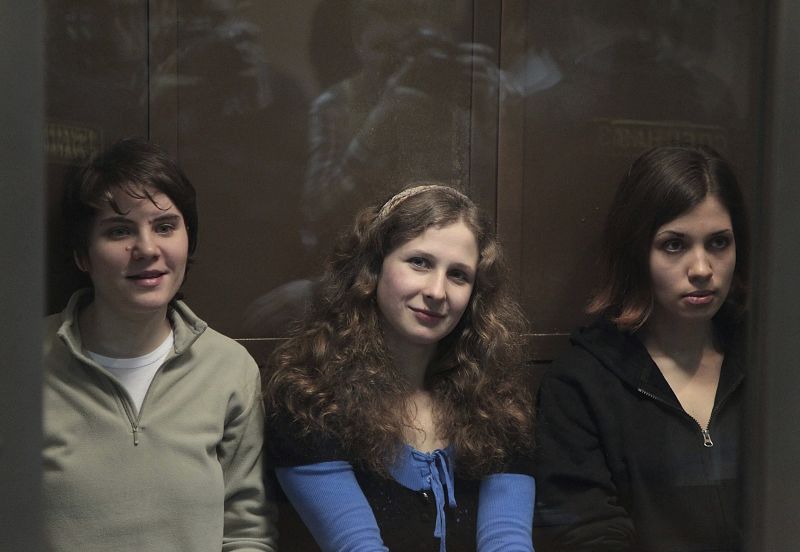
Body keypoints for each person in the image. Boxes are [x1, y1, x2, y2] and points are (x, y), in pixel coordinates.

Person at [265, 184, 536, 551]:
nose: (437, 291)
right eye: (419, 262)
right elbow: (356, 546)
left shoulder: (499, 405)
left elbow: (507, 541)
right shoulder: (309, 398)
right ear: (374, 267)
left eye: (458, 275)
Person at [41, 137, 278, 552]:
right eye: (119, 230)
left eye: (165, 226)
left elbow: (247, 532)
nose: (147, 249)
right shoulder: (20, 361)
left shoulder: (228, 368)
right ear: (82, 255)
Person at [533, 145, 748, 551]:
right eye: (674, 245)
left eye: (719, 243)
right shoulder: (581, 384)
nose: (702, 269)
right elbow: (588, 534)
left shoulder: (771, 364)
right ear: (636, 252)